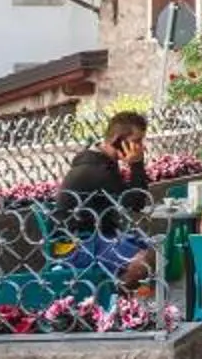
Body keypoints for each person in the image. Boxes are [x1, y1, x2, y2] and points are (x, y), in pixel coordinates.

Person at [56, 111, 151, 290]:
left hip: (97, 236)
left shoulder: (103, 162)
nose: (140, 148)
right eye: (136, 141)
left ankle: (119, 301)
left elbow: (133, 200)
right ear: (117, 139)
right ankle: (112, 304)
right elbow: (136, 202)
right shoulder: (97, 169)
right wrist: (137, 164)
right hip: (75, 244)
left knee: (153, 246)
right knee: (142, 261)